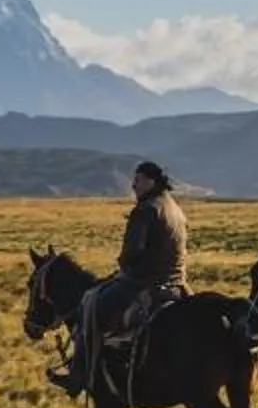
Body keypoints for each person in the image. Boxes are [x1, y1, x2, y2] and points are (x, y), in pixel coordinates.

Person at [53, 161, 191, 393]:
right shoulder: (174, 207)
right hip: (178, 283)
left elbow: (132, 252)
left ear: (151, 181)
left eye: (138, 180)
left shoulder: (145, 210)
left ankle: (78, 375)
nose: (133, 185)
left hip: (146, 282)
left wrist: (124, 266)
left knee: (90, 304)